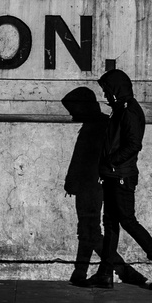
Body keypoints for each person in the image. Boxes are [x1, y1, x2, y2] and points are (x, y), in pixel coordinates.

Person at [97, 68, 152, 290]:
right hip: (113, 174)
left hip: (121, 176)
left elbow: (133, 145)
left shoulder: (129, 111)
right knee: (111, 224)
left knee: (128, 221)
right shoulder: (120, 109)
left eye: (106, 90)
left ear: (116, 89)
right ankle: (105, 274)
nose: (105, 95)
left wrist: (110, 162)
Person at [60, 86, 112, 288]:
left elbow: (86, 160)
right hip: (88, 186)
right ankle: (79, 272)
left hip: (90, 187)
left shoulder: (97, 127)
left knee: (90, 232)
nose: (72, 113)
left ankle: (125, 271)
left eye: (74, 108)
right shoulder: (97, 124)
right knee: (88, 231)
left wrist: (74, 181)